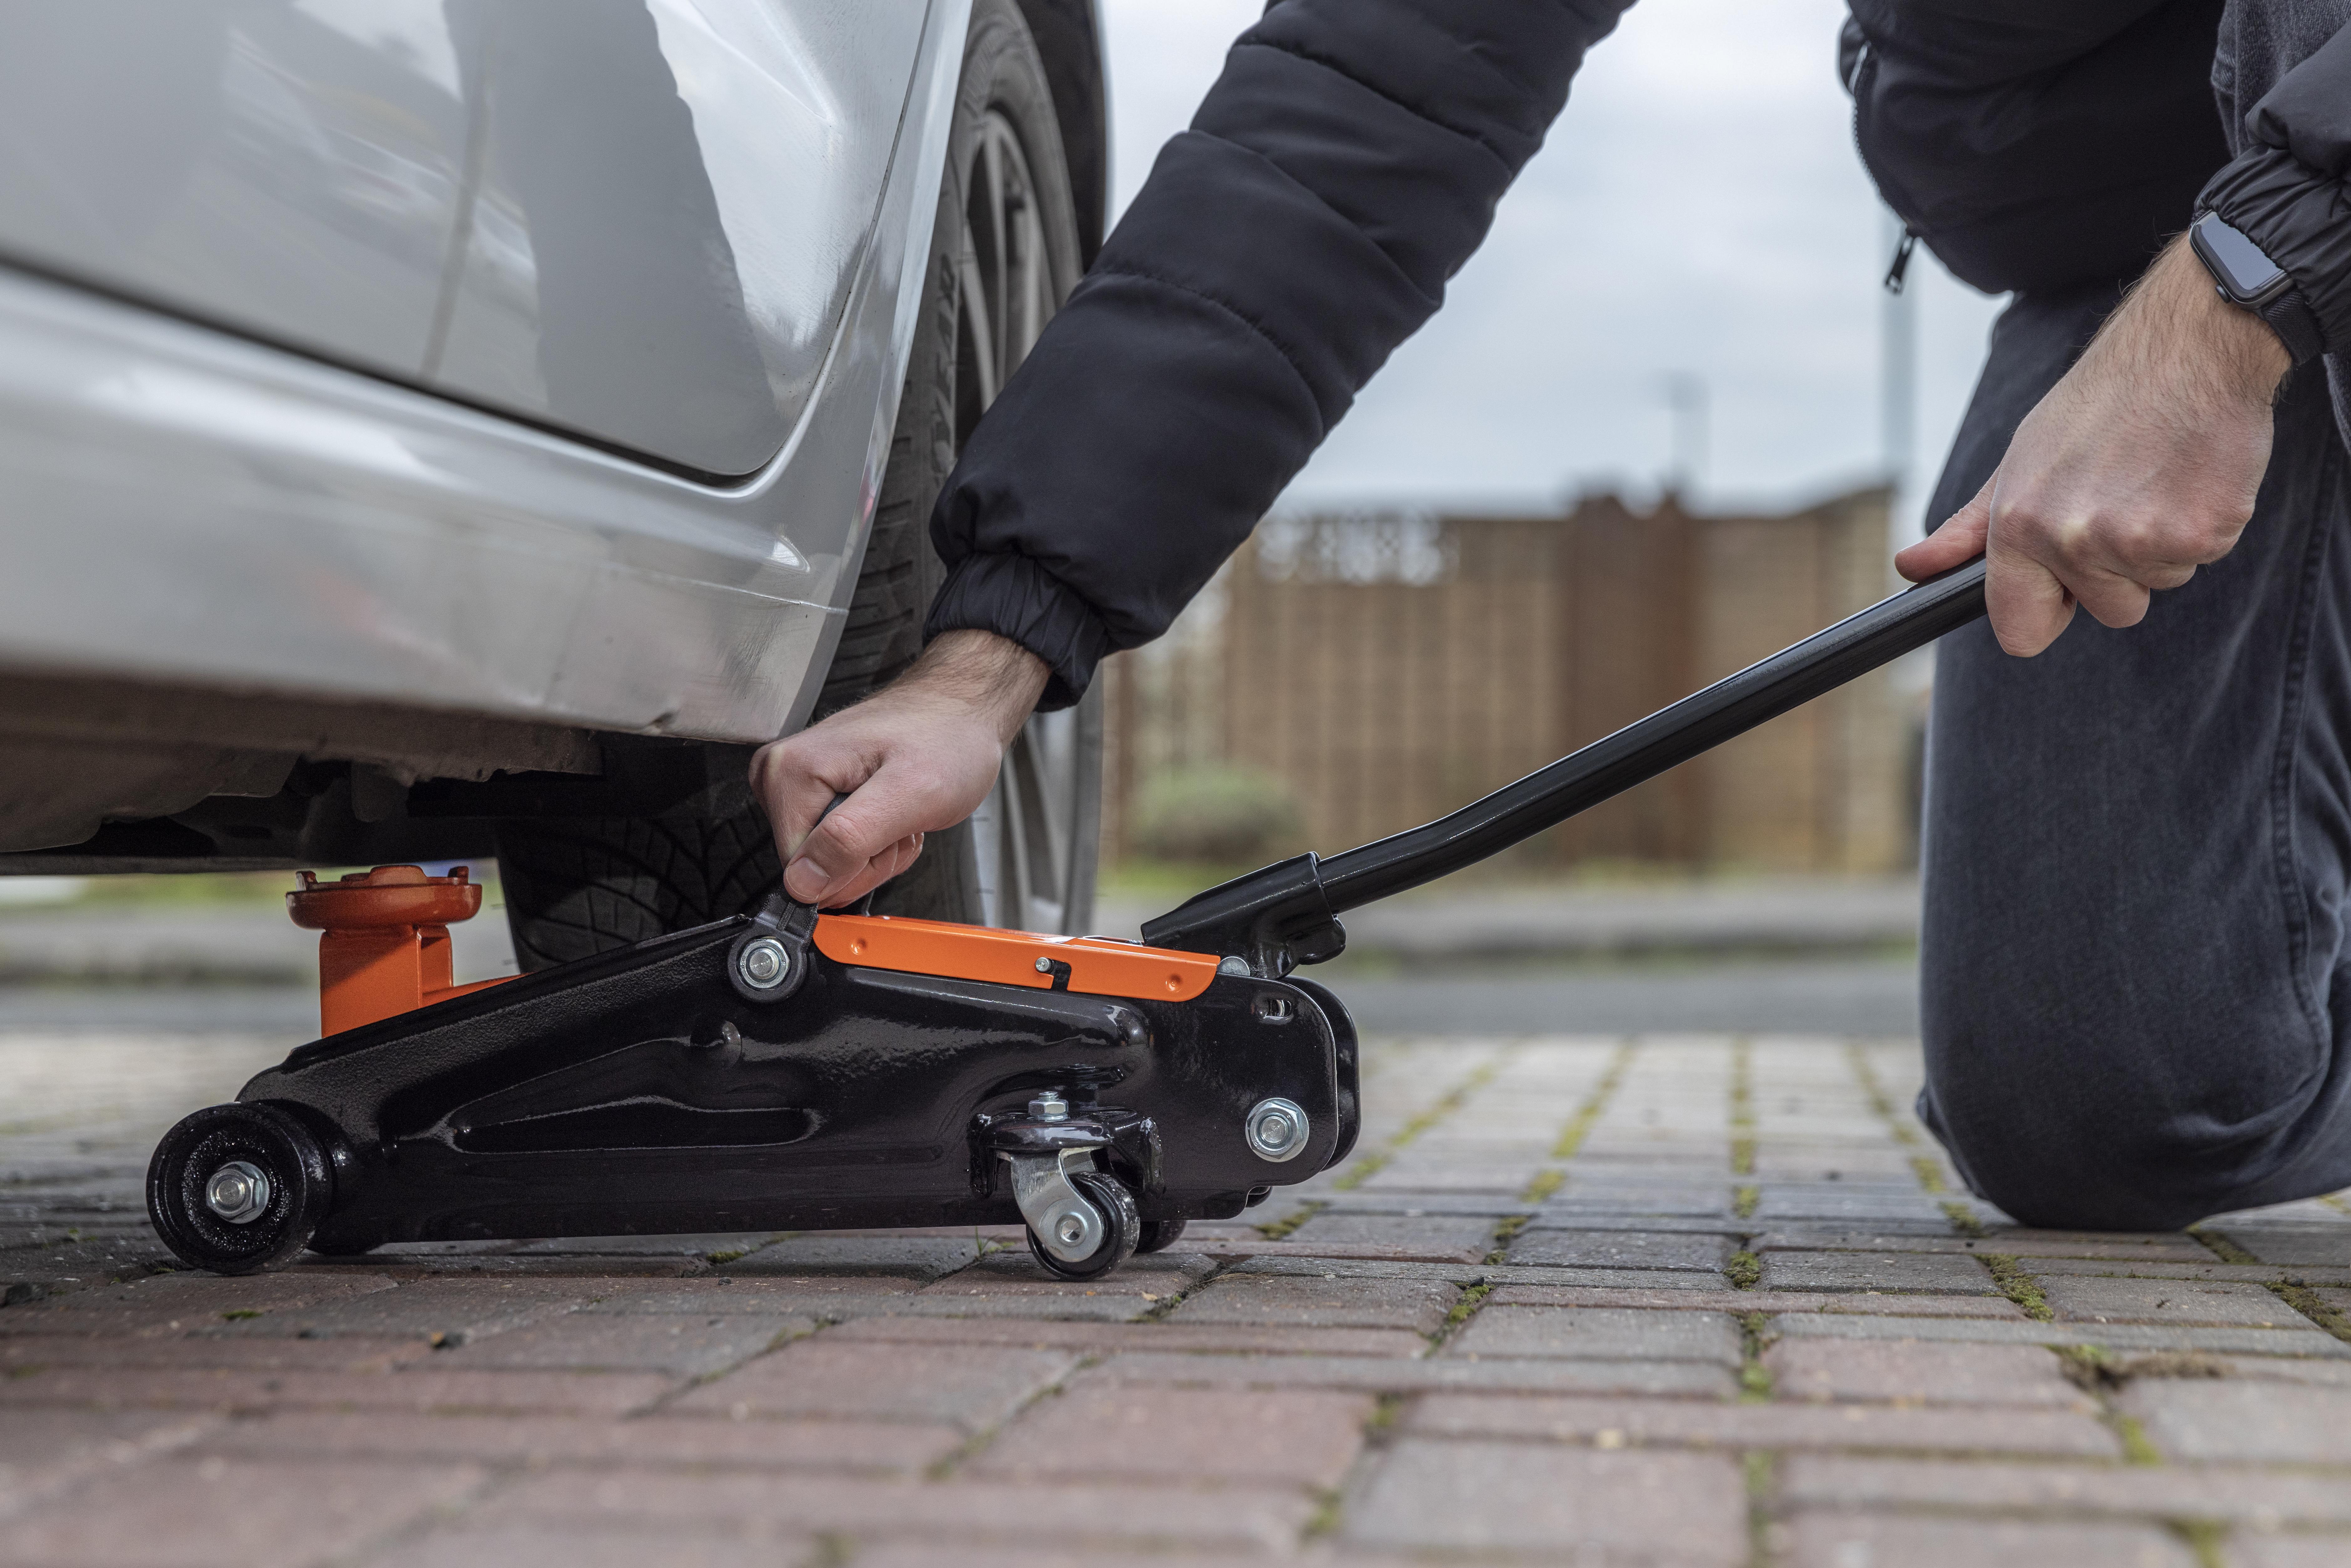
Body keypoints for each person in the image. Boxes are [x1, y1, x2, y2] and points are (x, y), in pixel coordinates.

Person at [752, 1, 2351, 1231]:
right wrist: (994, 648)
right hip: (2165, 249)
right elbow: (1368, 104)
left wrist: (2253, 287)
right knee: (2108, 1094)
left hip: (2272, 229)